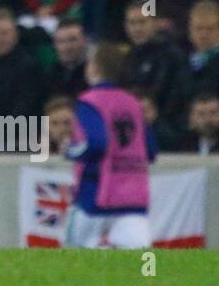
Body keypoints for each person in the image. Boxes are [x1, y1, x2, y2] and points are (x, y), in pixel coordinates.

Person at [64, 42, 156, 249]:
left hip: (97, 191)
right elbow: (150, 151)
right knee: (139, 257)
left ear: (94, 67)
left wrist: (70, 151)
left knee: (76, 255)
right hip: (133, 195)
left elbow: (96, 143)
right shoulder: (133, 103)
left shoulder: (90, 101)